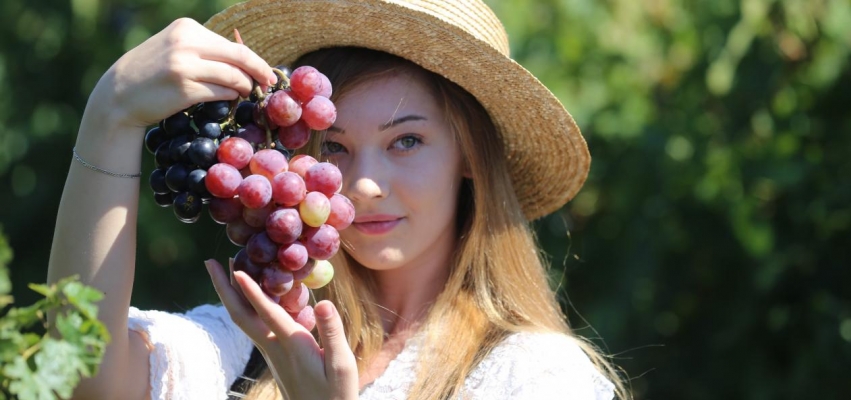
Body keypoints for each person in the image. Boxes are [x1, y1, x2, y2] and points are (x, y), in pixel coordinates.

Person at [47, 0, 629, 399]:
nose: (364, 184)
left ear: (469, 156)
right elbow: (81, 375)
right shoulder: (253, 344)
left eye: (406, 140)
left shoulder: (537, 378)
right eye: (334, 147)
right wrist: (110, 116)